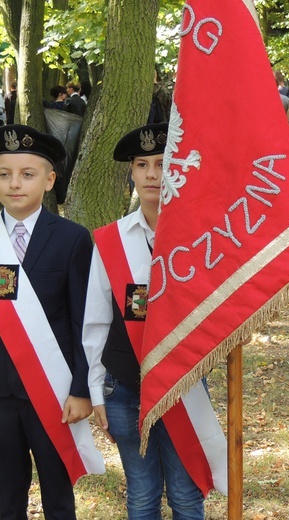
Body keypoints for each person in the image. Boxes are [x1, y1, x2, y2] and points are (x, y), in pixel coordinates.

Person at [0, 124, 96, 519]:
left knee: (58, 493)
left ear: (50, 180)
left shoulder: (72, 239)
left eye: (27, 174)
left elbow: (83, 321)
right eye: (4, 174)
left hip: (53, 389)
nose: (14, 184)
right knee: (9, 492)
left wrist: (82, 389)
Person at [83, 123, 214, 519]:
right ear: (132, 172)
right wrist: (93, 390)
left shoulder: (202, 235)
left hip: (183, 384)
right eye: (142, 164)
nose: (153, 174)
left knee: (186, 493)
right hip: (123, 384)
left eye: (162, 163)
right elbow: (95, 320)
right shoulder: (110, 239)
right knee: (141, 495)